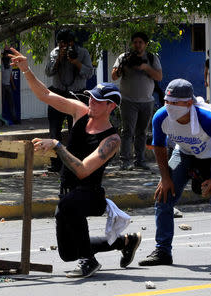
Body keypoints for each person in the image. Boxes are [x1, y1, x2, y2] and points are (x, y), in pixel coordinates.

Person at [9, 48, 141, 278]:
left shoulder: (112, 139)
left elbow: (83, 170)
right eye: (91, 97)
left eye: (98, 101)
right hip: (68, 192)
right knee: (68, 254)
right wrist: (26, 70)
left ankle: (89, 262)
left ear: (111, 106)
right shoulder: (81, 112)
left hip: (90, 195)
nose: (91, 102)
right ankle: (125, 241)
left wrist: (57, 145)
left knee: (69, 208)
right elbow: (46, 96)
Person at [139, 78, 211, 268]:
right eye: (167, 102)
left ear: (189, 103)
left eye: (175, 103)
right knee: (163, 197)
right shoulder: (160, 117)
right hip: (182, 153)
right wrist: (165, 177)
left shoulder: (208, 119)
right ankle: (163, 251)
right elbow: (159, 146)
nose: (170, 106)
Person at [45, 28, 94, 172]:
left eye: (66, 43)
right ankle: (56, 163)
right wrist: (59, 58)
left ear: (72, 42)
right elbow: (48, 72)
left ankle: (76, 162)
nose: (64, 46)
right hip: (58, 93)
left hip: (77, 95)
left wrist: (75, 62)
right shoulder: (55, 52)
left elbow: (89, 73)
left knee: (77, 130)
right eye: (61, 43)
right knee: (54, 129)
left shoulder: (82, 53)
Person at [112, 32, 163, 171]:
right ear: (132, 43)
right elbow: (114, 76)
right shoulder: (123, 57)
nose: (138, 45)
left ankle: (139, 160)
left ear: (145, 44)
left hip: (146, 101)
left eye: (141, 42)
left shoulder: (152, 58)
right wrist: (123, 65)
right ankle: (125, 161)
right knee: (127, 131)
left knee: (142, 132)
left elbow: (159, 77)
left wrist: (146, 68)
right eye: (135, 42)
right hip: (128, 101)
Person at [1, 48, 19, 124]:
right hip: (2, 85)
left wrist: (13, 85)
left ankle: (14, 119)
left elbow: (10, 75)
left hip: (8, 85)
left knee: (11, 103)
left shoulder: (9, 63)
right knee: (2, 103)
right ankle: (1, 118)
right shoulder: (1, 63)